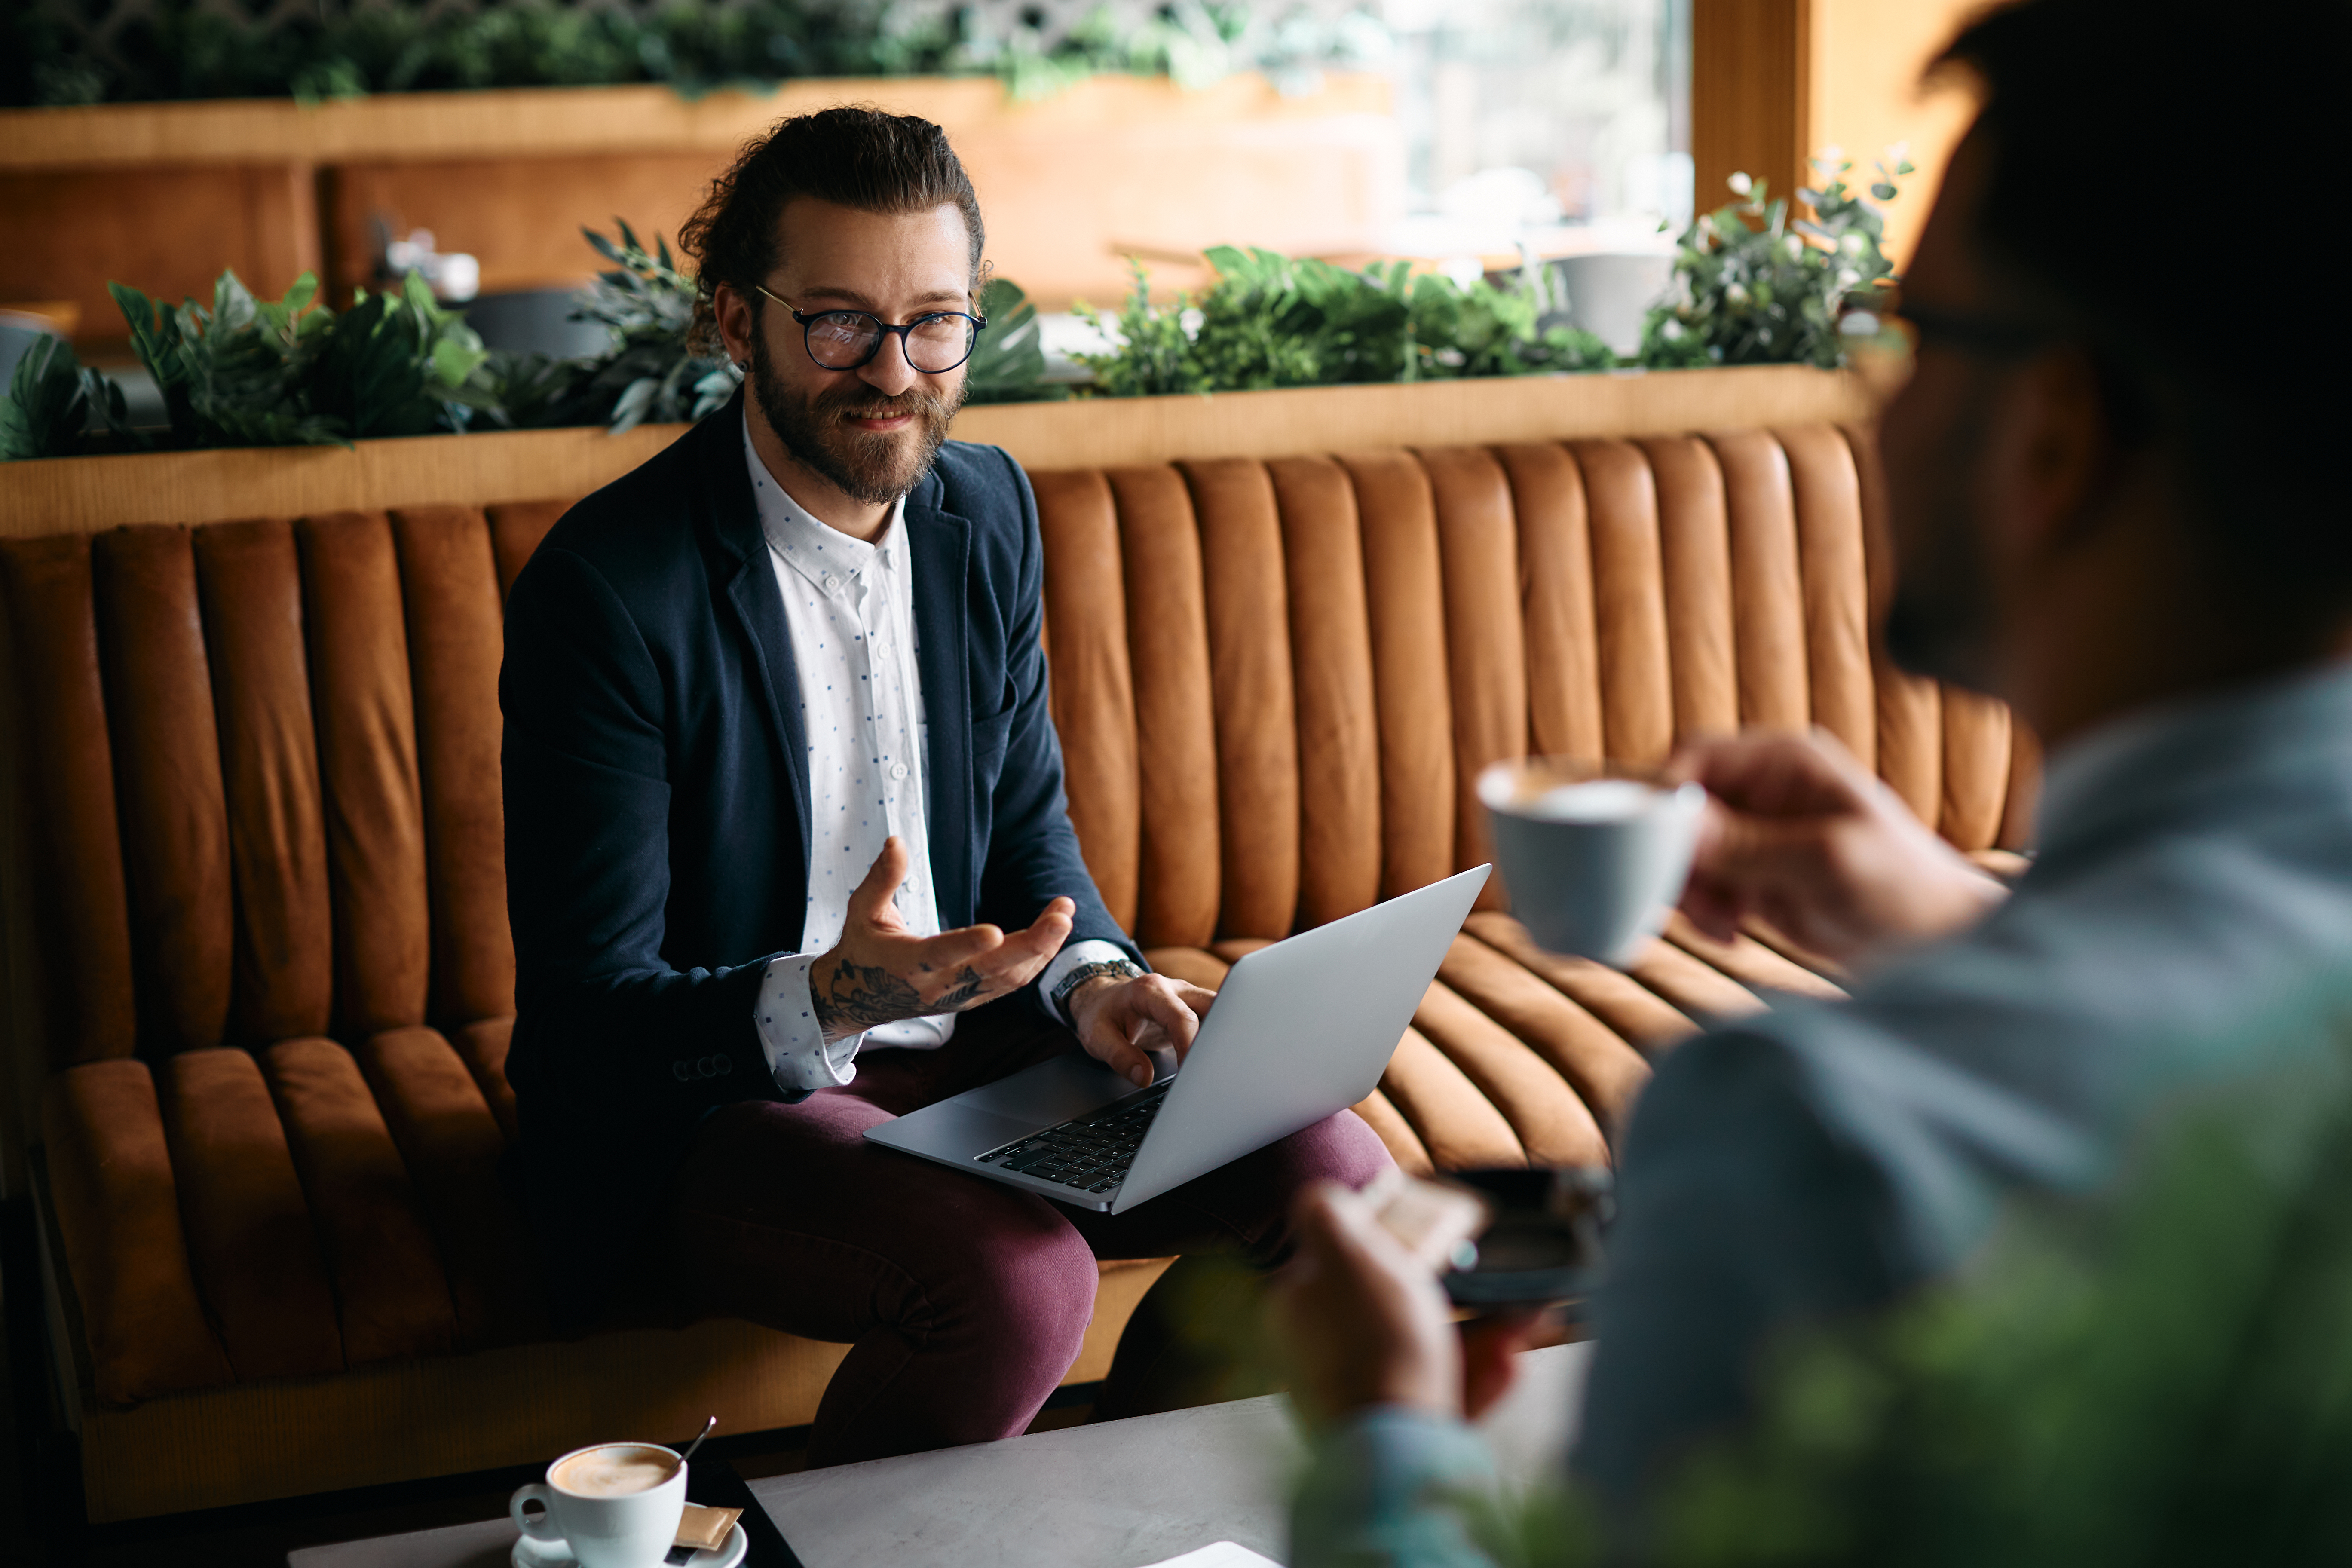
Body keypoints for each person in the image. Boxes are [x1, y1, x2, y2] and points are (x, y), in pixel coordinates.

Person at [1277, 0, 2352, 1556]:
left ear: (2053, 432)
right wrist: (1957, 931)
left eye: (1911, 339)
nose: (1878, 405)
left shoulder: (1813, 1148)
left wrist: (1385, 1443)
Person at [499, 107, 1389, 1466]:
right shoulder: (610, 591)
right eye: (841, 322)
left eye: (935, 322)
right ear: (738, 324)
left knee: (1337, 1184)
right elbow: (578, 1035)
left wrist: (1094, 982)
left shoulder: (987, 513)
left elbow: (1034, 840)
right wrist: (831, 996)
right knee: (1022, 1284)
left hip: (983, 1062)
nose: (895, 372)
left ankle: (1133, 1520)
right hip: (738, 1108)